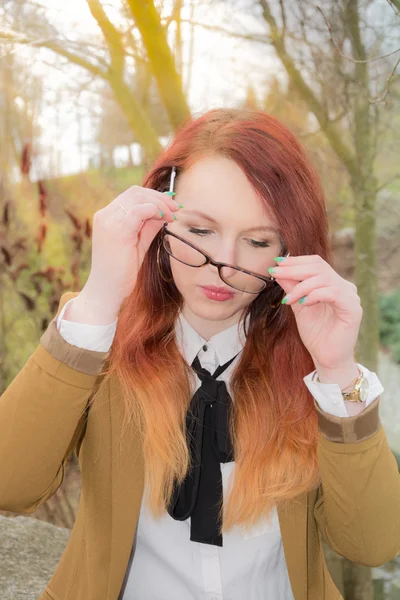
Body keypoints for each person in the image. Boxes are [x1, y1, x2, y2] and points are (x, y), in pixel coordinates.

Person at [0, 108, 399, 600]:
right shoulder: (97, 340)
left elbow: (372, 542)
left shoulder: (309, 367)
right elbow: (9, 484)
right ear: (160, 217)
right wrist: (100, 296)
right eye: (200, 230)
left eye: (256, 241)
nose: (223, 267)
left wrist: (338, 373)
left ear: (289, 250)